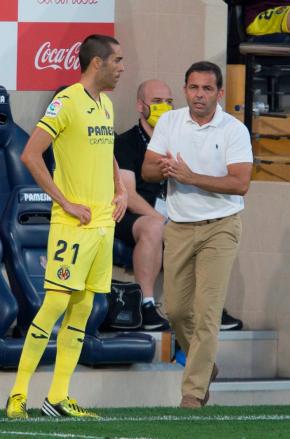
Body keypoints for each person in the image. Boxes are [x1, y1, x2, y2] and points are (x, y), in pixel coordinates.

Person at [6, 34, 127, 419]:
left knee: (84, 308)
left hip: (103, 224)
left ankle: (57, 397)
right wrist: (64, 201)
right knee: (56, 302)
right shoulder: (67, 101)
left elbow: (106, 151)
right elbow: (31, 153)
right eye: (118, 60)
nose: (122, 68)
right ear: (97, 63)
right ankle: (17, 395)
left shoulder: (105, 104)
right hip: (73, 225)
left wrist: (121, 188)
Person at [142, 61, 253, 408]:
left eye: (207, 89)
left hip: (221, 227)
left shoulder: (234, 130)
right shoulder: (170, 122)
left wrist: (191, 177)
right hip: (178, 226)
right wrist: (164, 168)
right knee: (174, 311)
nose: (199, 95)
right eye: (193, 88)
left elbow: (241, 183)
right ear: (186, 89)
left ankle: (192, 394)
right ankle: (205, 367)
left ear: (219, 93)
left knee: (207, 312)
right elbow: (146, 170)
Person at [114, 80, 171, 331]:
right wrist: (161, 220)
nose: (164, 107)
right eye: (157, 102)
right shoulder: (126, 142)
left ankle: (203, 307)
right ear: (140, 105)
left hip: (169, 214)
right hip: (130, 214)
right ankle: (146, 305)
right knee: (153, 227)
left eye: (169, 102)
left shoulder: (178, 142)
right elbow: (128, 193)